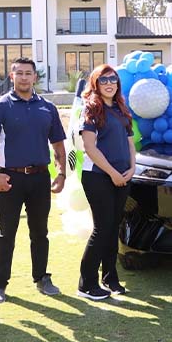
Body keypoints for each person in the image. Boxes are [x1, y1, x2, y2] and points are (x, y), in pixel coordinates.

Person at [0, 57, 67, 303]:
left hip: (41, 177)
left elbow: (58, 143)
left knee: (40, 231)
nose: (24, 77)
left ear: (35, 77)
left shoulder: (47, 108)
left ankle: (42, 278)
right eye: (19, 73)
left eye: (29, 73)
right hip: (11, 179)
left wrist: (61, 173)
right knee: (6, 232)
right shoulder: (0, 107)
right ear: (11, 76)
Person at [76, 64, 136, 300]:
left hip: (122, 175)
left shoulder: (121, 108)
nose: (110, 83)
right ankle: (86, 283)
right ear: (95, 84)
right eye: (104, 80)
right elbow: (90, 148)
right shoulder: (91, 109)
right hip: (98, 176)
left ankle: (110, 278)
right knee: (102, 229)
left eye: (113, 79)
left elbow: (130, 143)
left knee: (113, 228)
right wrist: (112, 173)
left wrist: (132, 168)